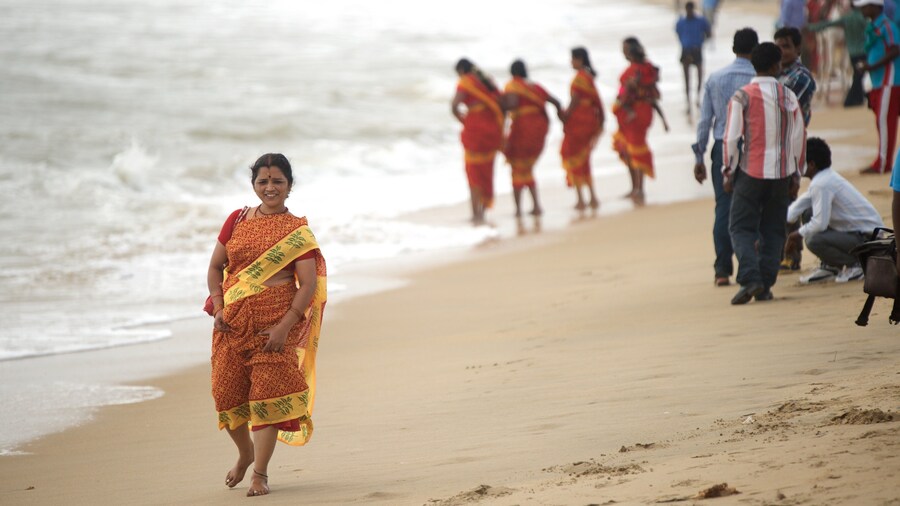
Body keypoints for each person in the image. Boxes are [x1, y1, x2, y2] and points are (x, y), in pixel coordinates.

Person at [207, 153, 327, 497]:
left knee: (267, 399)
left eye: (278, 181)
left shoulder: (296, 231)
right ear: (254, 185)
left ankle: (260, 473)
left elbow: (307, 285)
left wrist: (284, 326)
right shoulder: (236, 219)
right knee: (225, 394)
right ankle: (245, 454)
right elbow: (216, 267)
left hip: (274, 326)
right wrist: (218, 306)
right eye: (263, 181)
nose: (270, 187)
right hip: (231, 324)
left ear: (289, 187)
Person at [723, 42, 806, 304]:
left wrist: (728, 171)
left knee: (740, 227)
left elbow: (732, 138)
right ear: (776, 66)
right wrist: (796, 174)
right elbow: (798, 138)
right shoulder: (788, 96)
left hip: (751, 171)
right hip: (781, 174)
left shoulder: (742, 96)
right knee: (773, 230)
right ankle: (766, 283)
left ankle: (750, 278)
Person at [692, 28, 759, 287]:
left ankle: (722, 269)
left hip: (722, 146)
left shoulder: (715, 78)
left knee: (724, 207)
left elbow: (705, 121)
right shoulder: (760, 78)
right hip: (753, 146)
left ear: (733, 49)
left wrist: (698, 155)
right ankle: (749, 265)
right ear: (755, 51)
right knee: (753, 207)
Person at [785, 137, 884, 283]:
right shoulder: (825, 178)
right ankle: (830, 266)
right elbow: (793, 212)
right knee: (808, 213)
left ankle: (857, 265)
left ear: (811, 165)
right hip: (859, 234)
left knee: (813, 239)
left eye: (801, 162)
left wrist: (796, 235)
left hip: (867, 239)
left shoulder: (822, 184)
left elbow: (820, 224)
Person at [502, 59, 564, 217]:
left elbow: (513, 103)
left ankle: (518, 209)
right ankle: (536, 206)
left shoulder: (512, 86)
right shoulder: (535, 87)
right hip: (539, 131)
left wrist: (496, 104)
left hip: (522, 131)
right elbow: (556, 102)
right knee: (527, 169)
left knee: (517, 169)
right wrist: (562, 118)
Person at [613, 37, 669, 206]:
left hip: (635, 114)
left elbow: (629, 94)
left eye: (626, 50)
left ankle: (639, 189)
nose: (624, 53)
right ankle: (635, 188)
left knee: (636, 148)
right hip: (636, 112)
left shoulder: (638, 71)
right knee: (629, 149)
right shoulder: (647, 70)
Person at [452, 58, 504, 224]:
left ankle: (475, 214)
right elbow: (501, 103)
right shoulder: (487, 81)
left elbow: (454, 105)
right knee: (486, 171)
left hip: (475, 131)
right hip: (492, 132)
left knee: (473, 173)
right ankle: (482, 212)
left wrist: (463, 120)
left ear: (461, 71)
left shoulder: (466, 82)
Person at [855, 0, 900, 175]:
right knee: (882, 120)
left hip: (890, 81)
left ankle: (883, 163)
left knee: (885, 122)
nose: (862, 9)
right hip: (879, 81)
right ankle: (883, 160)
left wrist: (871, 67)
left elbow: (895, 49)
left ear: (875, 6)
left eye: (864, 6)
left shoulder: (887, 26)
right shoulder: (874, 26)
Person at [561, 47, 605, 211]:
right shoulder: (588, 77)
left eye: (572, 58)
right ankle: (592, 196)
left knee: (572, 157)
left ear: (579, 59)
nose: (570, 62)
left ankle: (581, 199)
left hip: (578, 123)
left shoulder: (579, 79)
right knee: (584, 159)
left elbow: (574, 101)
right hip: (589, 121)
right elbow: (596, 101)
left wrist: (563, 114)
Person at [807, 5, 869, 107]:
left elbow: (830, 23)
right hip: (862, 52)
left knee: (857, 75)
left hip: (852, 53)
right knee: (858, 76)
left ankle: (855, 98)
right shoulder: (862, 18)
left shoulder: (846, 18)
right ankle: (852, 100)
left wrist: (812, 27)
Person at [775, 27, 818, 126]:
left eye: (786, 47)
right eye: (777, 48)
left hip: (792, 136)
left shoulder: (802, 77)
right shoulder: (773, 73)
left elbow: (788, 111)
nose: (780, 52)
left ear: (798, 49)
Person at [676, 2, 712, 109]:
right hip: (686, 50)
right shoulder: (680, 22)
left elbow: (709, 33)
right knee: (686, 77)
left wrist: (701, 42)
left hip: (697, 50)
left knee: (699, 74)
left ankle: (697, 97)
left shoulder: (701, 21)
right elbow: (678, 33)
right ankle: (688, 100)